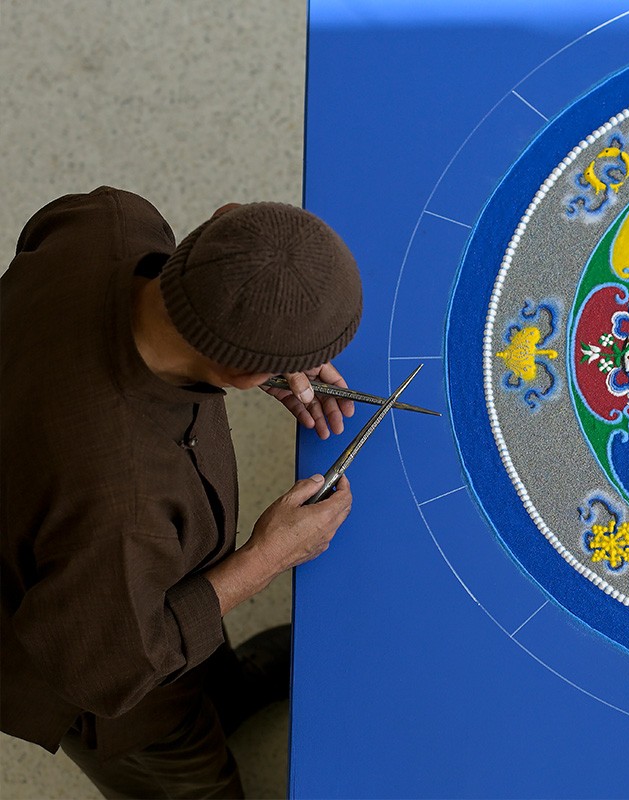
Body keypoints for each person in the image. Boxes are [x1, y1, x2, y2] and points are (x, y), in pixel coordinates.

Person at [0, 186, 364, 798]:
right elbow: (110, 666)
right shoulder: (125, 504)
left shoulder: (108, 222)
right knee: (188, 779)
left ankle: (228, 690)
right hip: (102, 678)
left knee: (207, 667)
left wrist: (244, 344)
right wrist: (269, 555)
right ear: (241, 375)